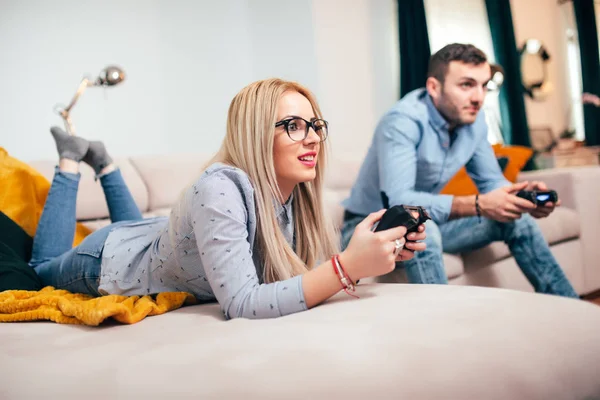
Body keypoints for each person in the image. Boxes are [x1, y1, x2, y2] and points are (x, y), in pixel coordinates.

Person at [29, 78, 428, 319]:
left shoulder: (296, 198)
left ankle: (104, 161)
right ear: (255, 134)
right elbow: (241, 302)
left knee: (142, 237)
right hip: (107, 261)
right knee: (38, 269)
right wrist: (347, 268)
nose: (311, 137)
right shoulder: (219, 187)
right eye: (293, 125)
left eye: (315, 125)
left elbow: (299, 277)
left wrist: (367, 256)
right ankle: (71, 157)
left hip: (158, 242)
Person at [340, 44, 578, 298]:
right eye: (466, 85)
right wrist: (477, 204)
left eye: (483, 85)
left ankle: (571, 308)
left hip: (430, 219)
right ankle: (447, 329)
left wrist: (518, 197)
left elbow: (491, 182)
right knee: (423, 230)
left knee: (517, 219)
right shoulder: (402, 121)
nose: (478, 97)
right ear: (434, 87)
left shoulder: (473, 122)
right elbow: (402, 202)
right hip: (372, 226)